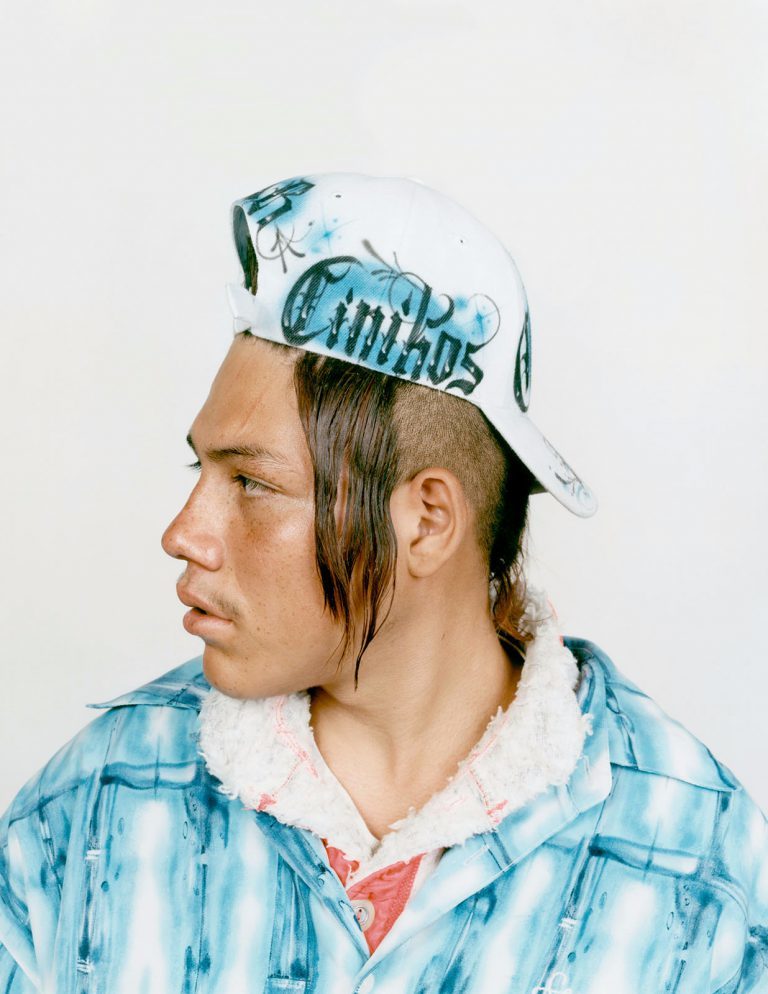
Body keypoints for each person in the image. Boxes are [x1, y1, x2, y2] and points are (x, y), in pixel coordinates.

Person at [0, 173, 765, 993]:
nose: (183, 534)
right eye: (202, 471)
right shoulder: (88, 811)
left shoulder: (699, 875)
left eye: (252, 483)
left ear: (426, 522)